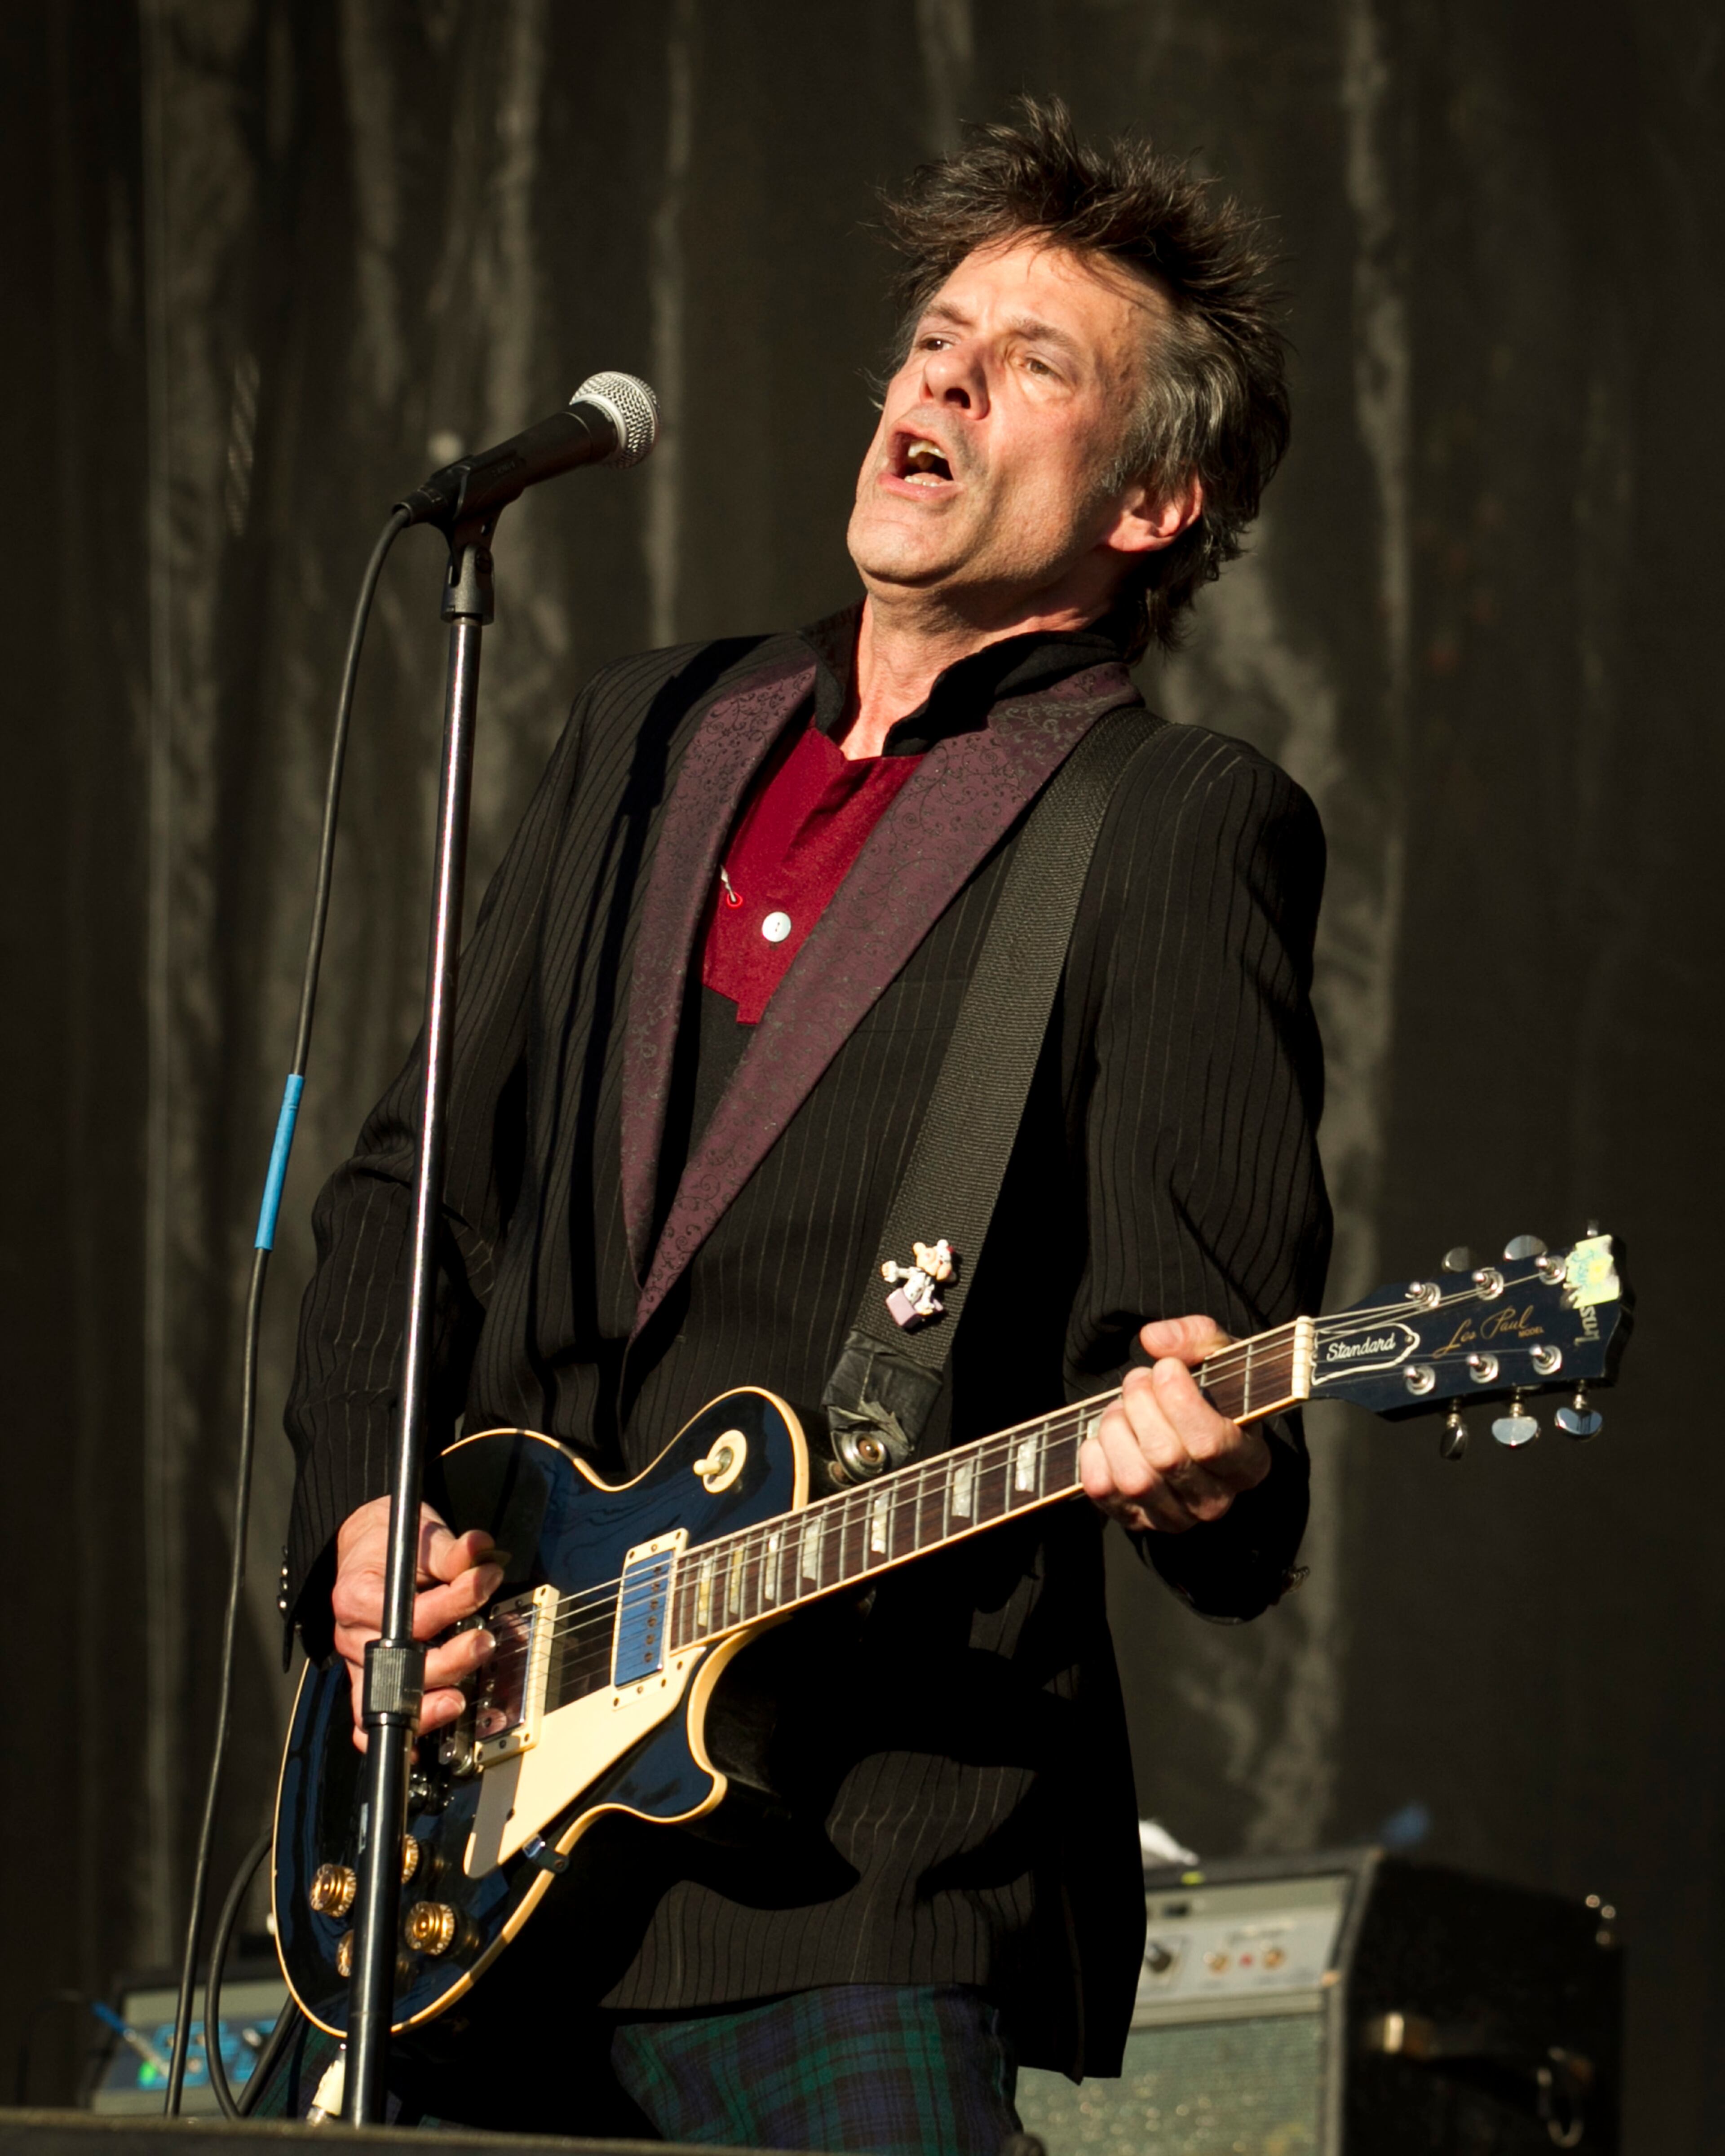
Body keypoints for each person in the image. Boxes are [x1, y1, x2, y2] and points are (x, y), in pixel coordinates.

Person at [274, 99, 1331, 2152]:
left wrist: (1209, 1448)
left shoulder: (1168, 825)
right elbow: (419, 1198)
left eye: (1032, 364)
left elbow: (1205, 1383)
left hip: (854, 1888)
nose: (942, 375)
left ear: (1151, 502)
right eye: (937, 335)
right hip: (460, 1867)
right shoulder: (645, 734)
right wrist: (364, 1521)